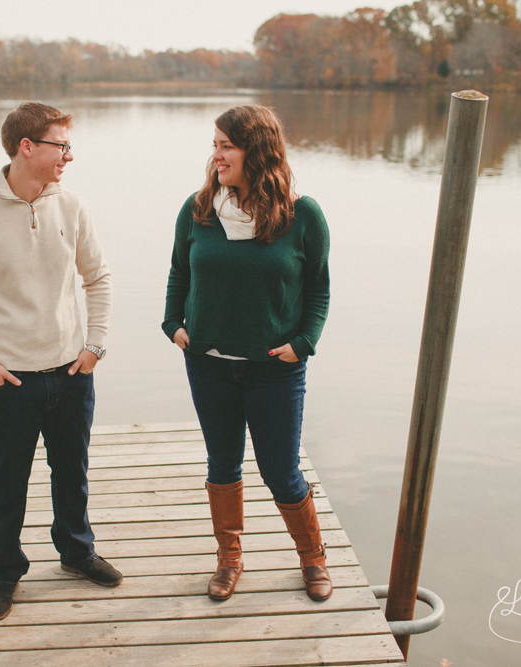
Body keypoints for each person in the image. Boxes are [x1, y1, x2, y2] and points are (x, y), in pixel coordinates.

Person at [0, 102, 120, 622]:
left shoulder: (73, 207)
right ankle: (4, 572)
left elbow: (99, 278)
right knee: (8, 483)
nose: (69, 155)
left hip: (70, 372)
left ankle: (77, 552)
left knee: (73, 474)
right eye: (61, 145)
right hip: (8, 381)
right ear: (27, 147)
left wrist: (95, 344)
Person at [162, 104, 331, 602]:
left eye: (225, 146)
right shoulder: (198, 209)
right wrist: (173, 323)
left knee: (281, 469)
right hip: (208, 364)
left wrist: (302, 343)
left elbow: (318, 290)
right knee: (222, 463)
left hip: (274, 370)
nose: (216, 156)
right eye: (214, 145)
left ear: (255, 150)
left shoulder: (303, 215)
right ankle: (229, 560)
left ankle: (313, 559)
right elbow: (179, 271)